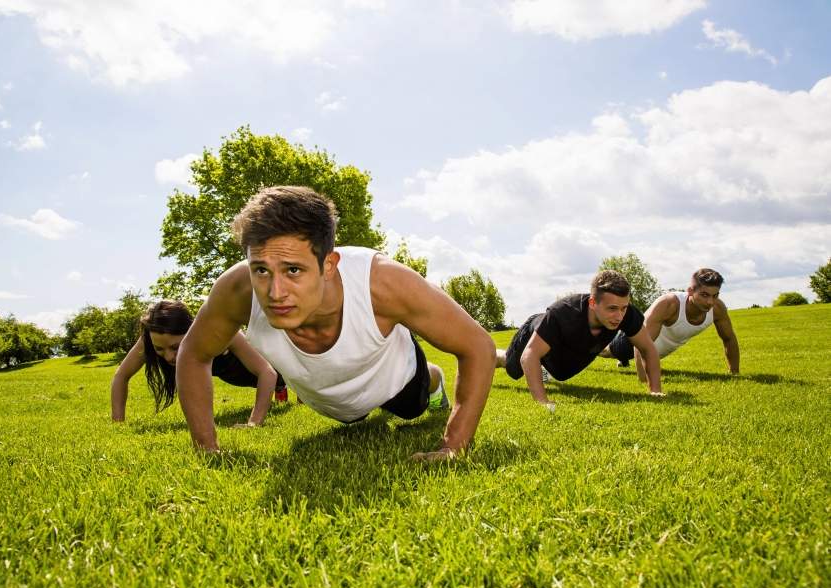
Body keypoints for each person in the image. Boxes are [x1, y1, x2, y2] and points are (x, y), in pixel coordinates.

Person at [176, 186, 496, 462]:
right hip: (334, 403)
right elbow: (193, 354)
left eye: (293, 271)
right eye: (260, 269)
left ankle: (432, 378)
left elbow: (478, 346)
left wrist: (453, 446)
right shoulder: (236, 292)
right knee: (353, 418)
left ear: (328, 265)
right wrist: (207, 449)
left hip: (395, 378)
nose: (275, 293)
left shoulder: (383, 282)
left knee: (412, 406)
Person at [496, 270, 663, 411]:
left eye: (623, 308)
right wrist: (543, 402)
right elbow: (529, 355)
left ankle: (541, 370)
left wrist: (655, 390)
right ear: (592, 302)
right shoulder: (562, 314)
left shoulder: (626, 315)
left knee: (561, 373)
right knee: (512, 367)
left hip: (562, 359)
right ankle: (495, 355)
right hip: (536, 335)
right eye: (612, 309)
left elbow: (648, 348)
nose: (619, 316)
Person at [110, 300, 286, 427]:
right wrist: (118, 423)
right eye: (160, 350)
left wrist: (253, 423)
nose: (169, 356)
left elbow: (267, 372)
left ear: (190, 331)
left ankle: (284, 390)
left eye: (175, 347)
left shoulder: (217, 331)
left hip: (270, 368)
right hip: (231, 375)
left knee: (287, 379)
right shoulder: (152, 337)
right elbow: (121, 376)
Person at [600, 268, 740, 379]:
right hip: (633, 341)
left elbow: (729, 339)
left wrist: (734, 373)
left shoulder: (717, 309)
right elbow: (641, 345)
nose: (710, 301)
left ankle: (623, 360)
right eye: (704, 295)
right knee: (604, 351)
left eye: (715, 295)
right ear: (690, 291)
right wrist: (644, 379)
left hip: (657, 351)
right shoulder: (669, 304)